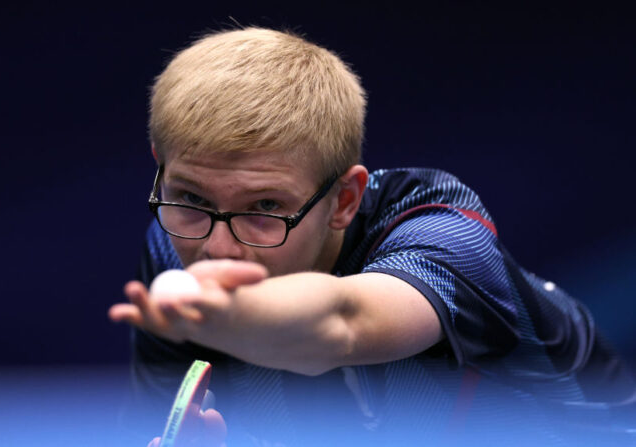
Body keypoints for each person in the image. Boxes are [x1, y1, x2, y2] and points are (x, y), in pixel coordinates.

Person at [109, 27, 635, 446]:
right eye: (193, 198)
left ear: (344, 200)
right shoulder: (175, 248)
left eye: (265, 207)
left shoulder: (442, 230)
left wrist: (228, 314)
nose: (215, 250)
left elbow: (342, 323)